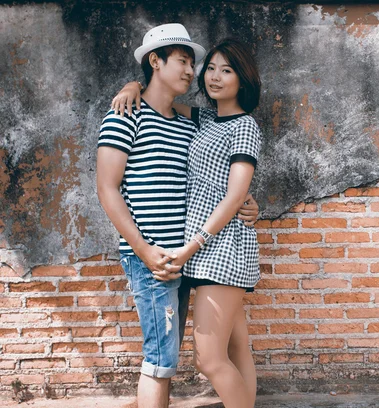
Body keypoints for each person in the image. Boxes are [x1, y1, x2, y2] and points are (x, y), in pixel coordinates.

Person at [98, 25, 258, 408]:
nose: (194, 71)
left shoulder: (190, 123)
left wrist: (248, 205)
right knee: (160, 360)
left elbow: (224, 180)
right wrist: (144, 250)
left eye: (193, 63)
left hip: (195, 254)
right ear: (156, 61)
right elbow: (107, 189)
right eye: (184, 61)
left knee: (211, 352)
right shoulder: (126, 115)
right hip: (155, 257)